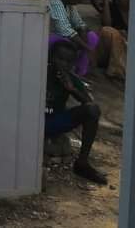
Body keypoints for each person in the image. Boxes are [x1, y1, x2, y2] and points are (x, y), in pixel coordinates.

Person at [45, 40, 108, 184]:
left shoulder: (70, 78)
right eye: (60, 59)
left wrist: (71, 89)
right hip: (31, 122)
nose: (63, 64)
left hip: (54, 122)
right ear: (50, 57)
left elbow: (89, 103)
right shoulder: (40, 72)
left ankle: (82, 163)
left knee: (92, 110)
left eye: (68, 62)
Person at [48, 0, 99, 77]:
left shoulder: (69, 5)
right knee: (67, 43)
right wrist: (87, 48)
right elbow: (64, 29)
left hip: (63, 36)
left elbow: (80, 24)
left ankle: (80, 71)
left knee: (92, 37)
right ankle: (67, 72)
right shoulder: (55, 2)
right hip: (50, 38)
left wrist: (85, 41)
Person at [89, 0, 127, 81]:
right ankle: (116, 71)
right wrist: (106, 1)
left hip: (123, 49)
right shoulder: (109, 8)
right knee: (109, 31)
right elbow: (107, 24)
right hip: (102, 49)